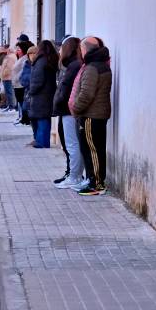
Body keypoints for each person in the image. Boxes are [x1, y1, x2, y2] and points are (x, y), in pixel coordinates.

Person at [70, 36, 112, 195]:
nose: (80, 52)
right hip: (98, 114)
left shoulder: (92, 67)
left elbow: (86, 94)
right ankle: (93, 180)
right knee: (96, 149)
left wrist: (75, 108)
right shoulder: (102, 65)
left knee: (92, 150)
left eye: (81, 49)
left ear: (85, 49)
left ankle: (96, 184)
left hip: (91, 115)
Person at [52, 36, 85, 187]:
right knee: (71, 144)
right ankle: (73, 175)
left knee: (72, 144)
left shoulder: (74, 66)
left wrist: (58, 101)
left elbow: (67, 90)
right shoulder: (72, 65)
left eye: (61, 48)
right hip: (67, 109)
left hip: (68, 110)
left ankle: (75, 176)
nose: (59, 51)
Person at [28, 40, 59, 148]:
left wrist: (31, 91)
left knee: (41, 118)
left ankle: (41, 142)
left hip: (40, 95)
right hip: (49, 93)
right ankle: (44, 141)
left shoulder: (41, 61)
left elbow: (37, 80)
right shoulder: (51, 59)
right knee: (45, 117)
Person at [0, 45, 17, 110]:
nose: (6, 51)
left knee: (9, 92)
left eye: (7, 50)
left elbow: (9, 67)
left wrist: (3, 74)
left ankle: (11, 107)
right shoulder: (12, 56)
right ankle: (9, 106)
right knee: (9, 92)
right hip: (8, 77)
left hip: (7, 77)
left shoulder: (10, 57)